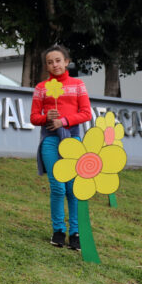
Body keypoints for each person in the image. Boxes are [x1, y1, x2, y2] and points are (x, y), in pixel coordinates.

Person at [30, 44, 92, 250]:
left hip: (73, 141)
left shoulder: (77, 84)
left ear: (66, 61)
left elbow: (86, 113)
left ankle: (75, 233)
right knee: (57, 187)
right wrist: (46, 117)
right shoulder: (41, 88)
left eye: (58, 60)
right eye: (50, 62)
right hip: (50, 140)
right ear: (46, 66)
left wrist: (64, 121)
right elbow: (33, 117)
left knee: (73, 189)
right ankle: (58, 231)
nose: (54, 65)